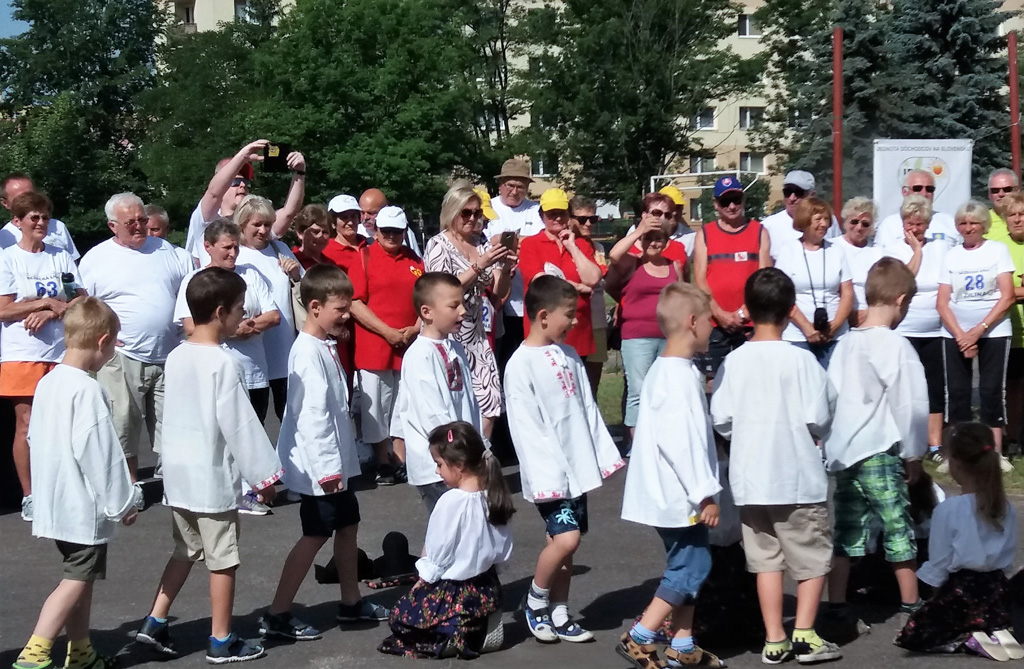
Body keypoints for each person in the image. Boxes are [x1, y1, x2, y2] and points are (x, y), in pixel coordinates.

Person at [134, 268, 282, 664]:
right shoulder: (223, 362)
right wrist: (264, 477)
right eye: (240, 308)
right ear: (220, 312)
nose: (244, 314)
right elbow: (240, 425)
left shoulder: (177, 355)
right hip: (210, 478)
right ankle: (221, 638)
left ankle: (155, 620)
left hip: (179, 475)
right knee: (223, 559)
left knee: (185, 548)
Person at [710, 267, 841, 664]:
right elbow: (821, 416)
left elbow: (722, 419)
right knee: (811, 556)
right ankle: (805, 634)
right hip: (797, 476)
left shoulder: (734, 361)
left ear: (747, 310)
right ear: (790, 311)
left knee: (765, 559)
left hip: (751, 478)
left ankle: (774, 637)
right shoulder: (802, 361)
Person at [263, 265, 387, 641]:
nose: (347, 315)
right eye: (340, 309)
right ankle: (277, 613)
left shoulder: (323, 346)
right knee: (315, 535)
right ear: (315, 307)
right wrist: (329, 470)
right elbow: (312, 417)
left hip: (335, 466)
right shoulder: (306, 352)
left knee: (348, 526)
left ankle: (351, 601)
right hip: (321, 470)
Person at [12, 299, 137, 669]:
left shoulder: (48, 382)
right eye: (113, 346)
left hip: (56, 503)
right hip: (82, 507)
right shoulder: (87, 390)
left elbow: (34, 439)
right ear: (102, 341)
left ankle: (81, 651)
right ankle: (35, 652)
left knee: (81, 577)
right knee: (76, 580)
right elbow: (101, 454)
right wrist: (123, 502)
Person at [505, 275, 625, 644]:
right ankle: (535, 601)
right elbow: (526, 428)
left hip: (576, 469)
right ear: (543, 316)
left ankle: (559, 610)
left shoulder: (569, 355)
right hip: (550, 474)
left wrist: (599, 456)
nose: (574, 322)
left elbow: (587, 409)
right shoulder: (520, 364)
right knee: (566, 539)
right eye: (569, 315)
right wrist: (547, 473)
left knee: (564, 541)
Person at [618, 283, 726, 669]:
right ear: (692, 322)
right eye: (709, 320)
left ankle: (682, 644)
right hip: (679, 494)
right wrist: (704, 493)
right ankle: (640, 636)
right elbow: (681, 444)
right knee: (692, 566)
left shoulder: (672, 370)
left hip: (674, 492)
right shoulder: (676, 377)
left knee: (689, 564)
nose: (713, 327)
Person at [822, 258, 929, 634]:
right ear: (901, 300)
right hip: (880, 450)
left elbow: (830, 396)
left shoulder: (846, 344)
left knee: (847, 530)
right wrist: (913, 453)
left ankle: (837, 605)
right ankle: (911, 605)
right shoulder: (897, 345)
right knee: (897, 525)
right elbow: (910, 403)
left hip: (845, 451)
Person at [79, 193, 192, 484]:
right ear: (112, 226)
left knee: (175, 426)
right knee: (123, 426)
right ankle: (129, 486)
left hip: (169, 353)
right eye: (130, 222)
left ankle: (175, 485)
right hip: (121, 356)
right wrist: (100, 336)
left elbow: (190, 293)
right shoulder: (96, 259)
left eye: (142, 220)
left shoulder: (168, 252)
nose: (139, 226)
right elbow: (83, 306)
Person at [377, 422, 513, 659]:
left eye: (439, 464)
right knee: (456, 608)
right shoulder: (494, 495)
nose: (437, 471)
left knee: (401, 615)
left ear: (458, 465)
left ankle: (449, 635)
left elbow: (439, 549)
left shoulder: (451, 501)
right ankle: (481, 625)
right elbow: (503, 546)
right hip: (486, 589)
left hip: (454, 590)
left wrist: (424, 579)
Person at [174, 219, 281, 515]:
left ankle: (251, 485)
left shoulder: (250, 274)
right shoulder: (195, 280)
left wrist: (248, 326)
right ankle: (231, 491)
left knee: (253, 426)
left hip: (254, 368)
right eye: (226, 248)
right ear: (208, 247)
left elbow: (273, 316)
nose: (233, 253)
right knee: (220, 431)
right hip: (214, 366)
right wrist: (231, 331)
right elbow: (189, 325)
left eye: (236, 247)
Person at [895, 423, 1019, 659]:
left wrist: (934, 598)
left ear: (956, 463)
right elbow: (1007, 560)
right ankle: (994, 629)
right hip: (997, 591)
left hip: (962, 592)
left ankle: (968, 640)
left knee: (914, 633)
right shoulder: (1005, 506)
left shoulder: (949, 509)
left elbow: (940, 562)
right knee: (985, 613)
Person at [0, 192, 85, 522]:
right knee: (27, 424)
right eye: (33, 217)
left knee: (62, 422)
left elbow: (78, 299)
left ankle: (61, 489)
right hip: (22, 353)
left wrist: (51, 311)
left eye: (45, 217)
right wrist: (45, 302)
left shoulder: (59, 256)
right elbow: (4, 309)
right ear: (18, 222)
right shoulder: (8, 258)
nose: (40, 223)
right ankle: (30, 495)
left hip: (60, 351)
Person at [423, 185, 513, 436]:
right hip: (448, 334)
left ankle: (480, 450)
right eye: (466, 212)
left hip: (477, 334)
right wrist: (479, 265)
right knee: (455, 404)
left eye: (477, 213)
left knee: (490, 402)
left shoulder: (481, 243)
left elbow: (498, 291)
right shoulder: (438, 245)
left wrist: (505, 268)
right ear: (452, 212)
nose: (473, 218)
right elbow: (442, 290)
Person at [347, 205, 423, 485]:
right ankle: (382, 460)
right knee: (376, 406)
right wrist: (387, 332)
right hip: (374, 345)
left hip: (408, 344)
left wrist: (415, 328)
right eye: (386, 230)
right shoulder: (364, 256)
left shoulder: (414, 259)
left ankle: (399, 457)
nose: (391, 235)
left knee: (404, 403)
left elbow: (425, 298)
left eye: (397, 231)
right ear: (376, 231)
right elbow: (354, 302)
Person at [395, 273, 484, 511]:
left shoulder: (455, 348)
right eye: (454, 306)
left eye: (462, 304)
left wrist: (480, 446)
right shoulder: (420, 354)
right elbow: (431, 412)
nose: (463, 311)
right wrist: (456, 453)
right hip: (439, 464)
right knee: (451, 524)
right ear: (427, 312)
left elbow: (469, 402)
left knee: (465, 522)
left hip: (462, 459)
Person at [937, 199, 1015, 468]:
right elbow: (942, 302)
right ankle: (954, 454)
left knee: (991, 390)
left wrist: (979, 329)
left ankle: (995, 453)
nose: (968, 228)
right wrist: (962, 335)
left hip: (994, 330)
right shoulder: (951, 255)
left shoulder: (998, 250)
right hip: (955, 332)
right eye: (962, 223)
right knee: (957, 392)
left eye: (973, 223)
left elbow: (1007, 296)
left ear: (984, 225)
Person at [879, 194, 947, 460]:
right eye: (910, 223)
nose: (915, 229)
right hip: (903, 329)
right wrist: (917, 251)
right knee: (903, 387)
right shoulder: (894, 250)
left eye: (920, 224)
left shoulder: (940, 248)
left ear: (928, 224)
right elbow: (902, 283)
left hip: (935, 330)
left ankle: (934, 445)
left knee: (934, 387)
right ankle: (902, 441)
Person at [607, 215, 682, 438]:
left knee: (665, 391)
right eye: (649, 238)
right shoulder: (632, 263)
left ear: (666, 241)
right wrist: (640, 230)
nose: (654, 243)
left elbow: (681, 299)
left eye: (659, 238)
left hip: (668, 337)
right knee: (638, 392)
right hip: (637, 338)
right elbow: (614, 255)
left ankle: (662, 438)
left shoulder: (674, 267)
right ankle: (637, 443)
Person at [691, 176, 771, 380]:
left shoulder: (759, 231)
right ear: (716, 203)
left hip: (751, 323)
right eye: (726, 201)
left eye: (736, 199)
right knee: (714, 381)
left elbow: (764, 278)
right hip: (715, 324)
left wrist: (744, 312)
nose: (732, 206)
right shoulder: (704, 234)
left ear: (743, 199)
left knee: (752, 380)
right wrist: (720, 314)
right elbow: (700, 280)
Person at [234, 194, 304, 422]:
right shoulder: (235, 254)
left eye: (267, 224)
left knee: (291, 418)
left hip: (284, 346)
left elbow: (304, 288)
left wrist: (295, 274)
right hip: (252, 350)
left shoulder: (279, 248)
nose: (263, 231)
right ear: (242, 223)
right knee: (254, 420)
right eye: (257, 224)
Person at [185, 139, 306, 267]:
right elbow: (214, 193)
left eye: (246, 182)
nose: (242, 185)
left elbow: (288, 213)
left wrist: (300, 172)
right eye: (235, 182)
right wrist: (242, 156)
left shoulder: (253, 226)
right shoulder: (207, 222)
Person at [518, 188, 602, 359]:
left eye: (562, 213)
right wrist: (580, 287)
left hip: (578, 330)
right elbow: (543, 284)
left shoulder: (582, 244)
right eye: (551, 214)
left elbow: (593, 278)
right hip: (544, 331)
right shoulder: (530, 245)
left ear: (569, 215)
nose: (557, 218)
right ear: (542, 216)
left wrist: (572, 247)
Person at [775, 197, 854, 368]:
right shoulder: (788, 251)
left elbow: (847, 293)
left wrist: (833, 327)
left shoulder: (837, 251)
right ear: (805, 220)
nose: (824, 224)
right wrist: (807, 328)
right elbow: (783, 296)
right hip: (797, 336)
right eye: (818, 219)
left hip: (835, 337)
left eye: (826, 219)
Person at [485, 159, 545, 373]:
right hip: (496, 299)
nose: (515, 191)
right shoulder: (488, 208)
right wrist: (523, 242)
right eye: (510, 185)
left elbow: (541, 242)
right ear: (500, 184)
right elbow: (484, 241)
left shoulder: (536, 210)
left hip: (528, 298)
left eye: (520, 186)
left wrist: (505, 240)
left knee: (530, 364)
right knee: (501, 363)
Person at [994, 192, 1024, 449]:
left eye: (1022, 214)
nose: (1017, 219)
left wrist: (1012, 292)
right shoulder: (998, 247)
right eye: (1012, 215)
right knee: (1013, 387)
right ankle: (1013, 438)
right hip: (1012, 331)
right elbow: (995, 290)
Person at [570, 195, 609, 395]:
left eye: (592, 219)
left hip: (597, 321)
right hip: (574, 321)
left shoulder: (598, 248)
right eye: (582, 219)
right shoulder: (566, 246)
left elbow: (599, 279)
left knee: (592, 385)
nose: (588, 224)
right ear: (570, 219)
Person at [760, 171, 841, 259]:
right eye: (787, 192)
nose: (792, 198)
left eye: (799, 192)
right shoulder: (768, 225)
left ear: (812, 195)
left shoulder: (828, 221)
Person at [872, 169, 961, 248]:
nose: (924, 193)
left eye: (929, 189)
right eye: (917, 188)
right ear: (904, 191)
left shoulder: (949, 223)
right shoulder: (888, 225)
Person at [0, 173, 79, 258]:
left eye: (31, 194)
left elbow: (73, 260)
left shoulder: (57, 227)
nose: (28, 200)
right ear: (5, 203)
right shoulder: (3, 239)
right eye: (20, 197)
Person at [832, 197, 884, 325]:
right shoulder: (832, 247)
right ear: (845, 221)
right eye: (854, 222)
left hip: (869, 317)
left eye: (865, 224)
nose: (859, 227)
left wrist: (868, 314)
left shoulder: (877, 252)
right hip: (837, 315)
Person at [624, 185, 698, 259]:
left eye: (679, 208)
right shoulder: (635, 230)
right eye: (658, 212)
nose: (674, 213)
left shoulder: (691, 237)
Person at [145, 204, 198, 271]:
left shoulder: (182, 258)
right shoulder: (132, 256)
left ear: (167, 229)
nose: (149, 234)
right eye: (144, 230)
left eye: (155, 230)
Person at [322, 194, 368, 271]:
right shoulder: (325, 252)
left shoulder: (369, 244)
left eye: (353, 216)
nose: (350, 223)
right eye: (344, 218)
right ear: (333, 223)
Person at [290, 204, 334, 269]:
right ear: (300, 233)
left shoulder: (331, 264)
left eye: (325, 232)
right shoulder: (292, 260)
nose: (320, 236)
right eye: (315, 232)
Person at [984, 167, 1020, 242]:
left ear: (1017, 191)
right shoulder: (981, 222)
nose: (1001, 194)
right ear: (989, 194)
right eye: (995, 190)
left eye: (1007, 189)